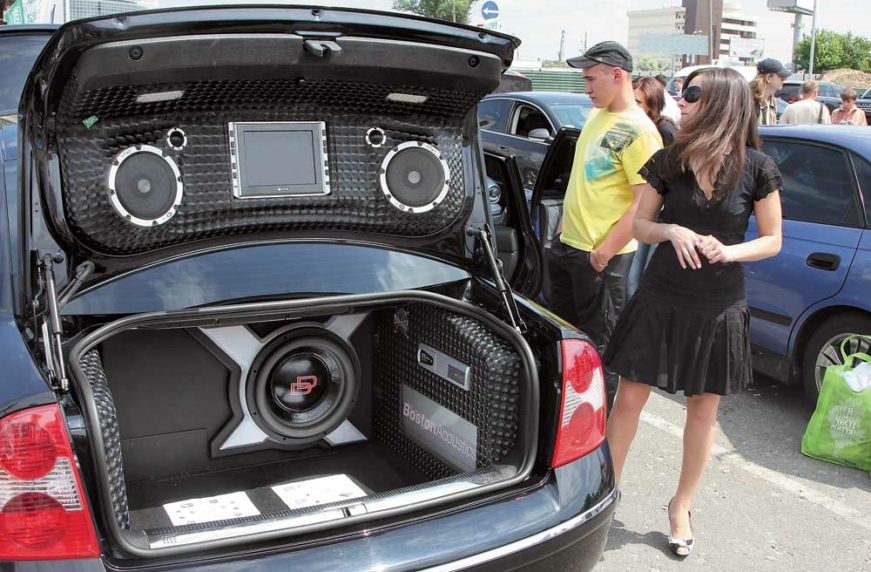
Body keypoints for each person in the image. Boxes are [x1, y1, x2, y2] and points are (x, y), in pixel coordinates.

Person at [603, 68, 783, 557]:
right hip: (660, 296)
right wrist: (671, 231)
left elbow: (772, 239)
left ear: (721, 101)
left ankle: (681, 506)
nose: (681, 100)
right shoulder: (670, 160)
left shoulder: (758, 168)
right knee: (629, 399)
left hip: (717, 305)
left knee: (703, 411)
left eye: (693, 94)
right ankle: (605, 491)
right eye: (682, 93)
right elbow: (641, 226)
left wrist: (729, 250)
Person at [548, 42, 663, 403]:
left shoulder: (640, 132)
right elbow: (584, 180)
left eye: (590, 79)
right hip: (570, 247)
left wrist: (602, 254)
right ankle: (565, 414)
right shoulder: (598, 116)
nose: (586, 88)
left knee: (598, 350)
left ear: (617, 75)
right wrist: (563, 228)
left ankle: (598, 426)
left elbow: (644, 203)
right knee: (566, 343)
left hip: (601, 260)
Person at [633, 77, 678, 146]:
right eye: (629, 100)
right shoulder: (627, 124)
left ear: (652, 105)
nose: (630, 105)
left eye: (637, 102)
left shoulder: (664, 131)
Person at [750, 58, 790, 125]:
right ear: (768, 78)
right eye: (781, 76)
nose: (784, 79)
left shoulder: (772, 101)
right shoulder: (750, 101)